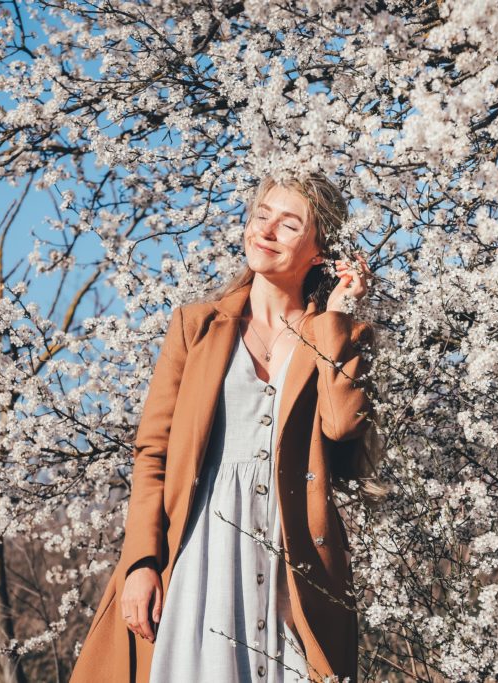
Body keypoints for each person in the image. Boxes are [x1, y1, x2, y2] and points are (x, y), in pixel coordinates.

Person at [69, 172, 382, 683]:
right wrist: (141, 562)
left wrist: (338, 318)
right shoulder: (196, 327)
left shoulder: (337, 335)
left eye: (288, 225)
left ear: (320, 251)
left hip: (292, 559)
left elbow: (343, 424)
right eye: (261, 217)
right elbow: (153, 454)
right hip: (200, 550)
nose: (266, 231)